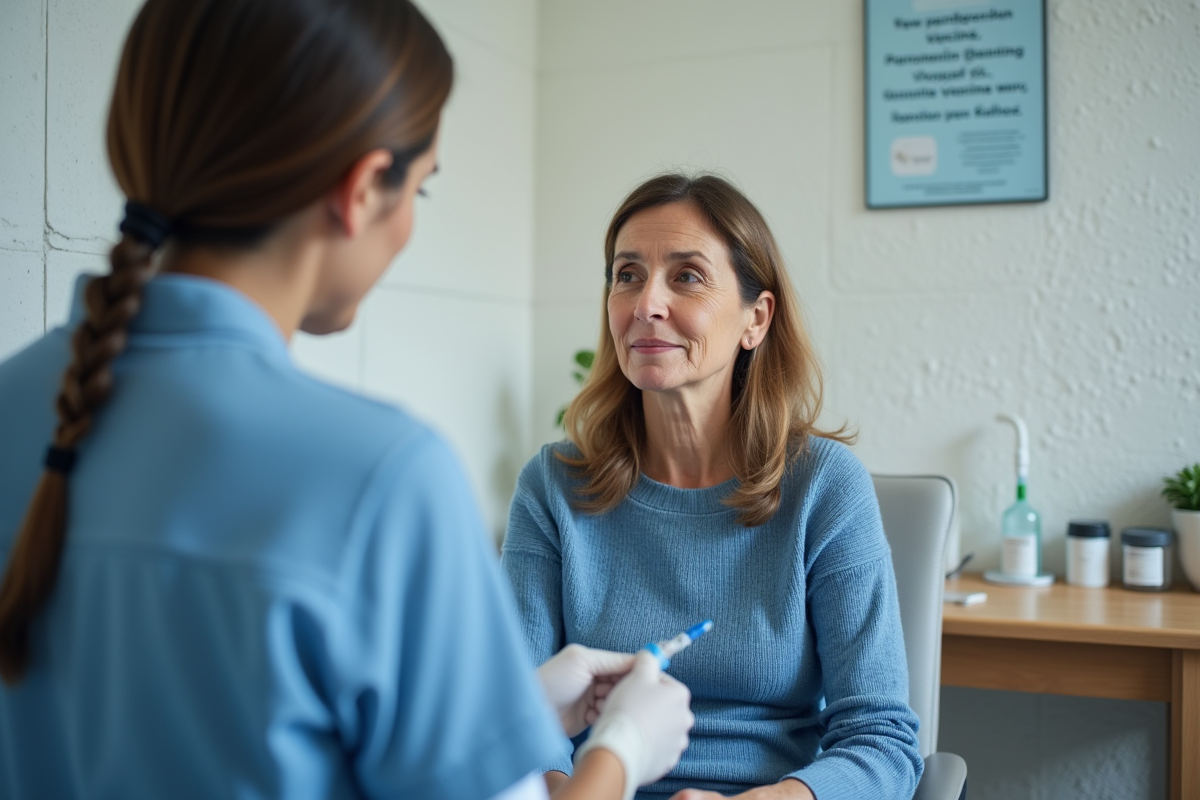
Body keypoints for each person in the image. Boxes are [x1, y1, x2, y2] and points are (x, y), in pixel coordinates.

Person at [0, 2, 692, 799]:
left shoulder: (26, 409)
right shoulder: (384, 478)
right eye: (420, 192)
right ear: (363, 189)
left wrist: (508, 714)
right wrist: (622, 750)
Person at [502, 174, 923, 800]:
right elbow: (516, 722)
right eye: (627, 274)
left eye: (688, 276)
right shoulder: (551, 487)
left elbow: (882, 740)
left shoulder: (824, 487)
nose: (646, 303)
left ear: (756, 318)